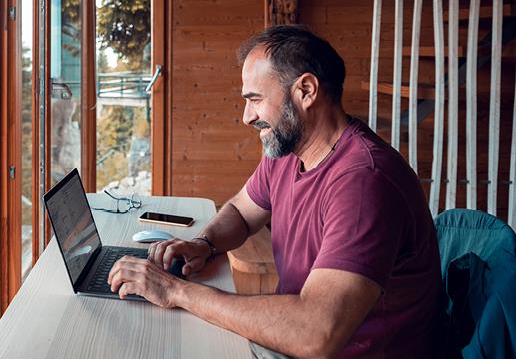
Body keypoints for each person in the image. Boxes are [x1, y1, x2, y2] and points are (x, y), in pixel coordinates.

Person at [107, 25, 442, 358]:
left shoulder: (364, 181)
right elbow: (241, 211)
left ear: (306, 90)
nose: (246, 116)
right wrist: (204, 244)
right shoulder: (289, 150)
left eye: (255, 99)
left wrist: (176, 290)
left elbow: (315, 334)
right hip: (291, 334)